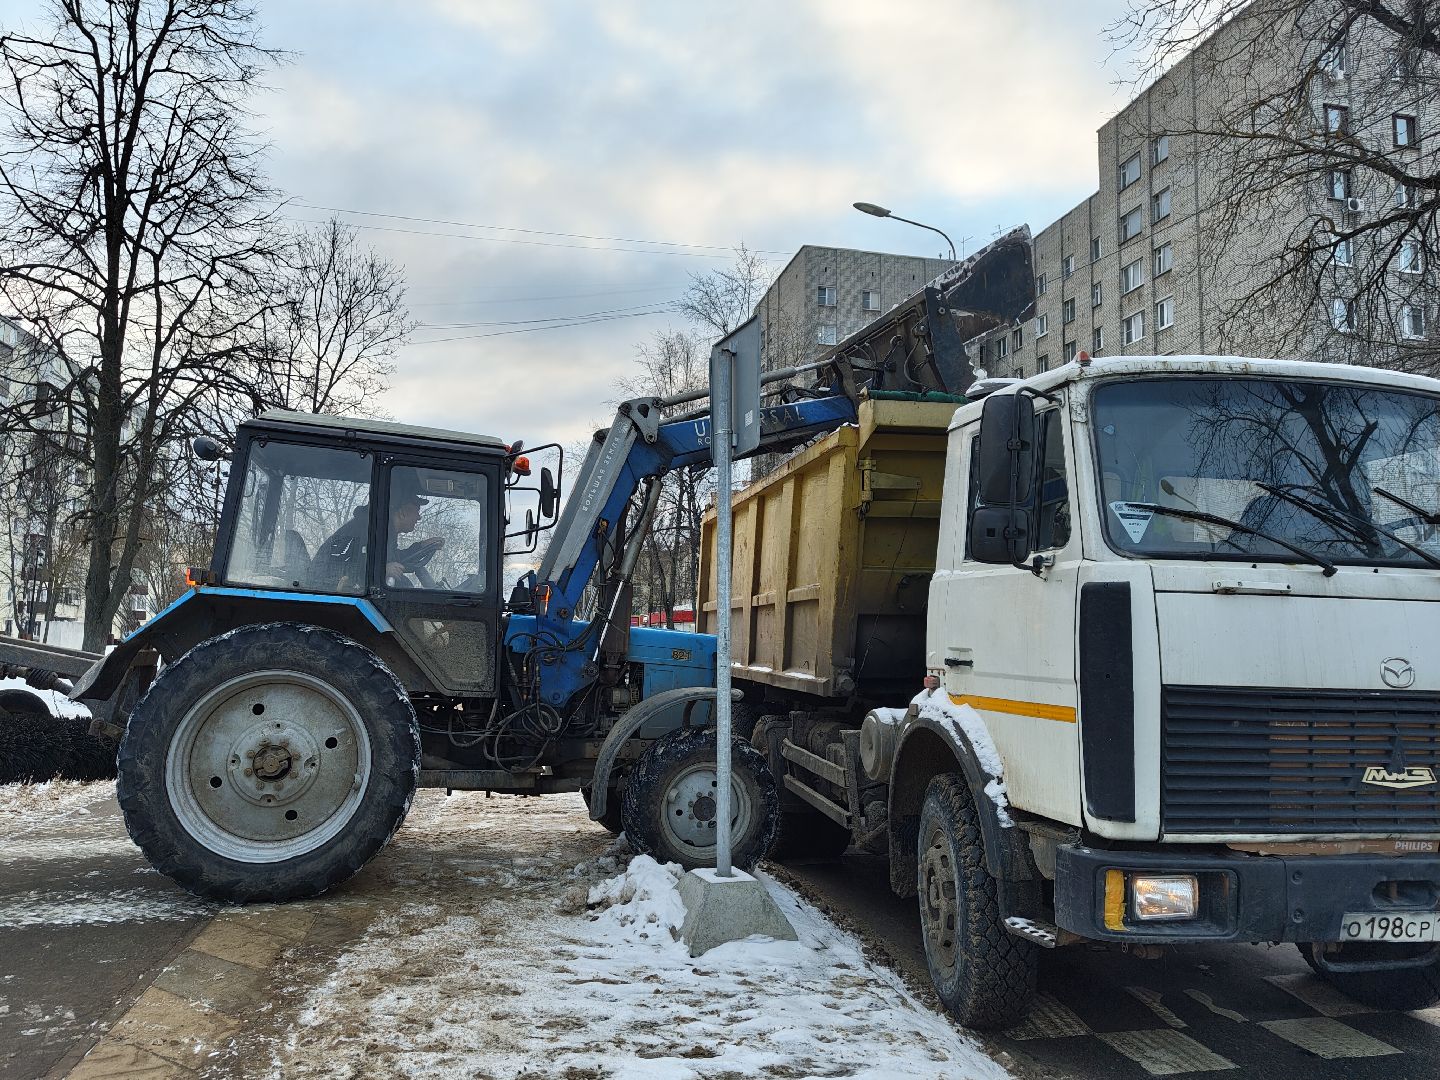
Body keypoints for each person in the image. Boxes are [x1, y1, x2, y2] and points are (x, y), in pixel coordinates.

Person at [309, 476, 444, 592]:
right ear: (402, 513)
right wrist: (381, 570)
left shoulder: (383, 533)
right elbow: (337, 567)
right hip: (330, 592)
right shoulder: (366, 530)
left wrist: (421, 546)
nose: (419, 517)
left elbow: (394, 559)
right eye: (417, 511)